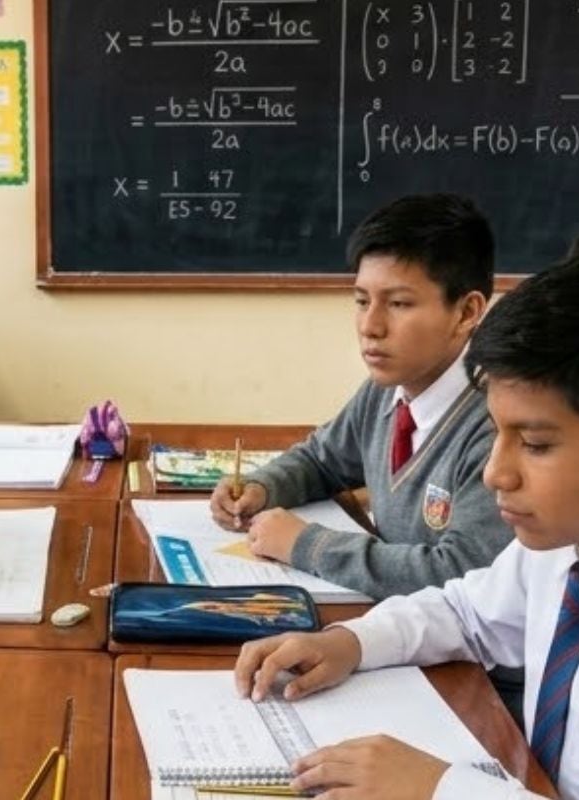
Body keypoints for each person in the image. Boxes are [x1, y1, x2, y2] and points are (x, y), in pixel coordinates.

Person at [233, 256, 579, 799]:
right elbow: (464, 611)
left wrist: (438, 790)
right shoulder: (558, 550)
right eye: (496, 433)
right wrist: (349, 641)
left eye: (536, 444)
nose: (495, 472)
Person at [210, 194, 513, 599]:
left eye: (399, 303)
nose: (371, 326)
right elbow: (322, 460)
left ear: (467, 312)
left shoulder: (499, 425)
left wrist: (307, 545)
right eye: (361, 301)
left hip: (462, 658)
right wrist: (262, 487)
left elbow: (460, 573)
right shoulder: (385, 391)